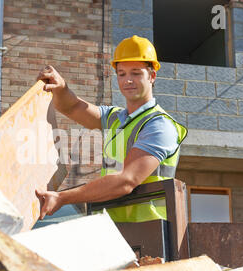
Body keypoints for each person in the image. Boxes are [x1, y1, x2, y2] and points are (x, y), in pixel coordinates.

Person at [35, 35, 187, 222]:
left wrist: (62, 198)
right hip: (114, 227)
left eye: (136, 73)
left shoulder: (159, 125)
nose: (127, 80)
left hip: (151, 232)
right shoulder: (115, 119)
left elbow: (126, 180)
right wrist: (61, 87)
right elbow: (72, 107)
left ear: (152, 76)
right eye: (122, 74)